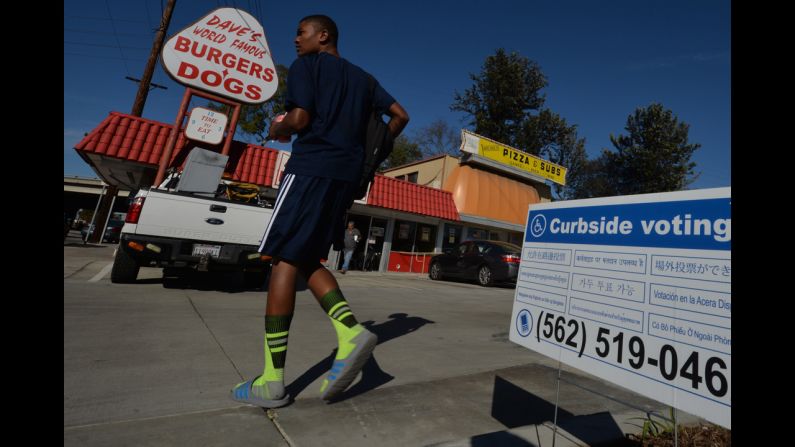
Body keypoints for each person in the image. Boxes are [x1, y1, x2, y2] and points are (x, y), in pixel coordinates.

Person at [231, 14, 409, 408]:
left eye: (301, 32)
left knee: (280, 259)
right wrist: (371, 154)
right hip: (346, 178)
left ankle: (272, 381)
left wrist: (279, 128)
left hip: (311, 167)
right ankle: (350, 334)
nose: (295, 40)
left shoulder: (305, 66)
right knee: (306, 256)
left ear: (322, 36)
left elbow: (300, 118)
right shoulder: (364, 79)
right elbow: (400, 116)